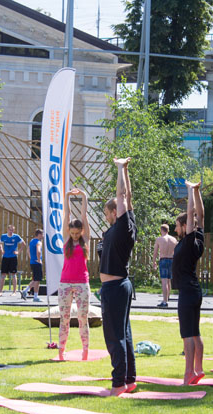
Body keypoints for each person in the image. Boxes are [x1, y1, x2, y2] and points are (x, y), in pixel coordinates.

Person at [100, 157, 137, 396]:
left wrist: (120, 168)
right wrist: (124, 170)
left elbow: (123, 196)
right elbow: (129, 197)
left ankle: (118, 384)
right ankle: (129, 380)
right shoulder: (128, 221)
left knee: (115, 337)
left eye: (107, 213)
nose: (106, 217)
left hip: (115, 287)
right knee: (124, 335)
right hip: (117, 286)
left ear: (115, 212)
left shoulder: (123, 225)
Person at [173, 181, 205, 385]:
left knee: (187, 335)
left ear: (185, 226)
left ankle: (188, 373)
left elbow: (193, 213)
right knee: (195, 332)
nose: (175, 229)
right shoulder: (198, 239)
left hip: (187, 292)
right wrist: (196, 191)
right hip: (194, 291)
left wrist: (189, 191)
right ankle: (198, 369)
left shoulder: (189, 239)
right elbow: (200, 215)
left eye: (177, 225)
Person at [58, 188, 92, 361]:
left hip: (81, 284)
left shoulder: (85, 240)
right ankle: (61, 350)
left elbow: (84, 217)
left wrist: (84, 196)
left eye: (77, 233)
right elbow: (67, 214)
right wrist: (68, 196)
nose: (75, 235)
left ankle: (85, 350)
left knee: (82, 317)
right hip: (65, 284)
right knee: (64, 319)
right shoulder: (66, 239)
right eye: (72, 233)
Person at [153, 224, 177, 308]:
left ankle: (164, 301)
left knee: (164, 281)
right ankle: (168, 297)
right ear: (168, 230)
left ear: (161, 230)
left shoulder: (159, 239)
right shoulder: (173, 239)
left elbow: (155, 252)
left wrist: (154, 262)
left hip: (163, 260)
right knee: (169, 280)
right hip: (172, 259)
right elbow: (177, 251)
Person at [0, 225, 24, 297]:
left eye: (12, 230)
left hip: (13, 257)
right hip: (5, 257)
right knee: (3, 275)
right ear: (7, 230)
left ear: (14, 231)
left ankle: (14, 291)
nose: (11, 231)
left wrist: (18, 252)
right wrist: (2, 250)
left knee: (13, 274)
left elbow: (23, 244)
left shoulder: (16, 237)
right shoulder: (3, 236)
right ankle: (0, 291)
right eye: (10, 230)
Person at [22, 229, 44, 302]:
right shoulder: (38, 242)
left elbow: (28, 250)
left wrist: (31, 258)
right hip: (37, 263)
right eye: (42, 234)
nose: (43, 236)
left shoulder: (32, 241)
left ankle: (25, 291)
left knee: (35, 279)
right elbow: (38, 251)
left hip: (32, 262)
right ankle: (35, 297)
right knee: (37, 280)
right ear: (39, 234)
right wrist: (38, 259)